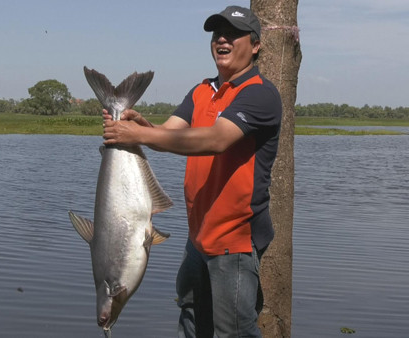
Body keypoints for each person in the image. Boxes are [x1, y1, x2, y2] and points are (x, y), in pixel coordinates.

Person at [103, 5, 282, 337]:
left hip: (235, 241)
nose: (222, 40)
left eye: (233, 34)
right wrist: (143, 126)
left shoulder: (260, 94)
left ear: (255, 45)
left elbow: (215, 139)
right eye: (217, 34)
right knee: (191, 321)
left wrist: (139, 135)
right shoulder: (202, 91)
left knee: (234, 332)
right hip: (198, 240)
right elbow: (170, 133)